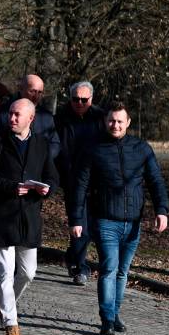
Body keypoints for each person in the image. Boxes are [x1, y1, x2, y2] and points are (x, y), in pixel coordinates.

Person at [68, 102, 169, 335]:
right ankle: (107, 319)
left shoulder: (141, 148)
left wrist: (161, 210)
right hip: (105, 221)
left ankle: (114, 313)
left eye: (120, 121)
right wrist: (75, 219)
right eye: (111, 120)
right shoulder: (93, 149)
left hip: (133, 222)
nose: (115, 125)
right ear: (105, 121)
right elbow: (79, 186)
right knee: (109, 269)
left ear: (128, 122)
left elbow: (156, 181)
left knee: (123, 272)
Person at [0, 98, 59, 335]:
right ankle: (11, 324)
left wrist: (47, 189)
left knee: (29, 272)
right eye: (10, 114)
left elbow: (52, 176)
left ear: (30, 118)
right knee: (4, 274)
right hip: (2, 216)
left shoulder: (41, 145)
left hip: (29, 217)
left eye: (17, 115)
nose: (11, 118)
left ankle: (1, 304)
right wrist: (12, 188)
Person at [55, 81, 105, 285]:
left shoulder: (100, 118)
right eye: (75, 99)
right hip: (72, 179)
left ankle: (73, 255)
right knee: (78, 223)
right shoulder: (60, 118)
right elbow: (55, 148)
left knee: (92, 225)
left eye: (84, 100)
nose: (79, 103)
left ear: (91, 99)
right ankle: (80, 266)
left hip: (96, 180)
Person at [0, 74, 60, 160]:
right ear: (21, 89)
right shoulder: (1, 113)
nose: (36, 96)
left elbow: (55, 144)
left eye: (40, 92)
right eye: (33, 91)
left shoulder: (46, 117)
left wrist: (41, 158)